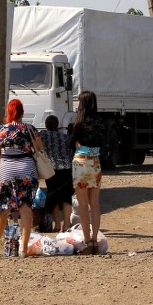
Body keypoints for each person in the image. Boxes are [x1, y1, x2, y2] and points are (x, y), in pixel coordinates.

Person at [0, 99, 42, 259]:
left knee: (2, 210)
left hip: (6, 171)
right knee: (25, 209)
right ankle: (23, 249)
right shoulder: (29, 129)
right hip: (26, 171)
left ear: (8, 113)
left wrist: (2, 168)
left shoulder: (0, 130)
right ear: (22, 112)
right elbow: (39, 148)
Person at [70, 90, 105, 254]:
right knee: (95, 204)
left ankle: (87, 240)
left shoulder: (79, 123)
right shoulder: (101, 122)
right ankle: (96, 239)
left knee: (83, 205)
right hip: (95, 162)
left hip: (81, 162)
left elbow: (70, 143)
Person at [41, 114, 73, 232]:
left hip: (52, 169)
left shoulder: (43, 135)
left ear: (46, 125)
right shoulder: (64, 136)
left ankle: (57, 225)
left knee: (53, 194)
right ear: (58, 125)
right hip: (67, 167)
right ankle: (67, 225)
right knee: (66, 197)